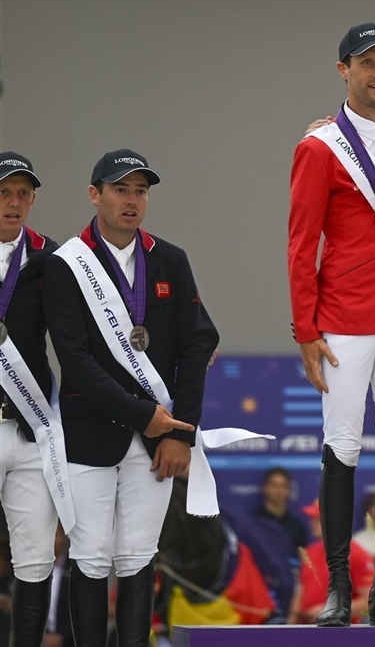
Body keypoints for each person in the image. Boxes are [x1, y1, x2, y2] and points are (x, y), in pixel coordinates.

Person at [42, 149, 219, 647]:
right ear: (94, 195)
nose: (132, 200)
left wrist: (181, 434)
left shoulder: (170, 259)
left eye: (141, 191)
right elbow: (76, 360)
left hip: (158, 441)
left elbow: (198, 343)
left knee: (139, 555)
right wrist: (148, 417)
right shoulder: (65, 265)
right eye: (121, 189)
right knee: (90, 556)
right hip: (89, 435)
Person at [287, 22, 375, 627]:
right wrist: (305, 329)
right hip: (344, 318)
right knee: (341, 450)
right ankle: (340, 589)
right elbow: (300, 245)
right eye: (367, 63)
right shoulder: (318, 148)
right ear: (343, 69)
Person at [0, 153, 62, 647]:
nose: (14, 202)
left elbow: (90, 331)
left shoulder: (49, 256)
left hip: (29, 427)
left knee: (36, 558)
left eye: (23, 193)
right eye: (4, 192)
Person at [295, 500, 375, 625]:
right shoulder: (310, 551)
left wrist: (330, 611)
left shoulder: (356, 553)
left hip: (339, 629)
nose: (312, 524)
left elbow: (369, 601)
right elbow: (301, 591)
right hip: (306, 627)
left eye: (317, 519)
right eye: (313, 519)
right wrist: (291, 621)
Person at [254, 467, 311, 553]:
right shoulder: (254, 522)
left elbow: (302, 555)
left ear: (289, 490)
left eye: (283, 486)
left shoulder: (296, 525)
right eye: (274, 486)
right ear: (265, 488)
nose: (279, 490)